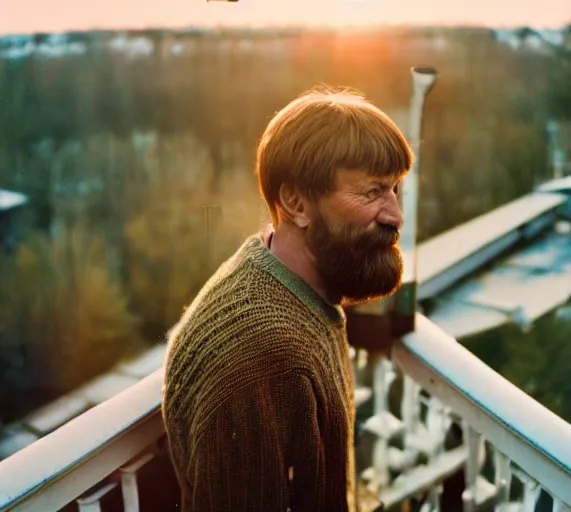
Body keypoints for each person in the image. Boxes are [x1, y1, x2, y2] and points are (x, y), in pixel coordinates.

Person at [162, 85, 413, 512]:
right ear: (296, 202)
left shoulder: (272, 267)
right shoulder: (267, 355)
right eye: (371, 193)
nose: (395, 215)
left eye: (394, 189)